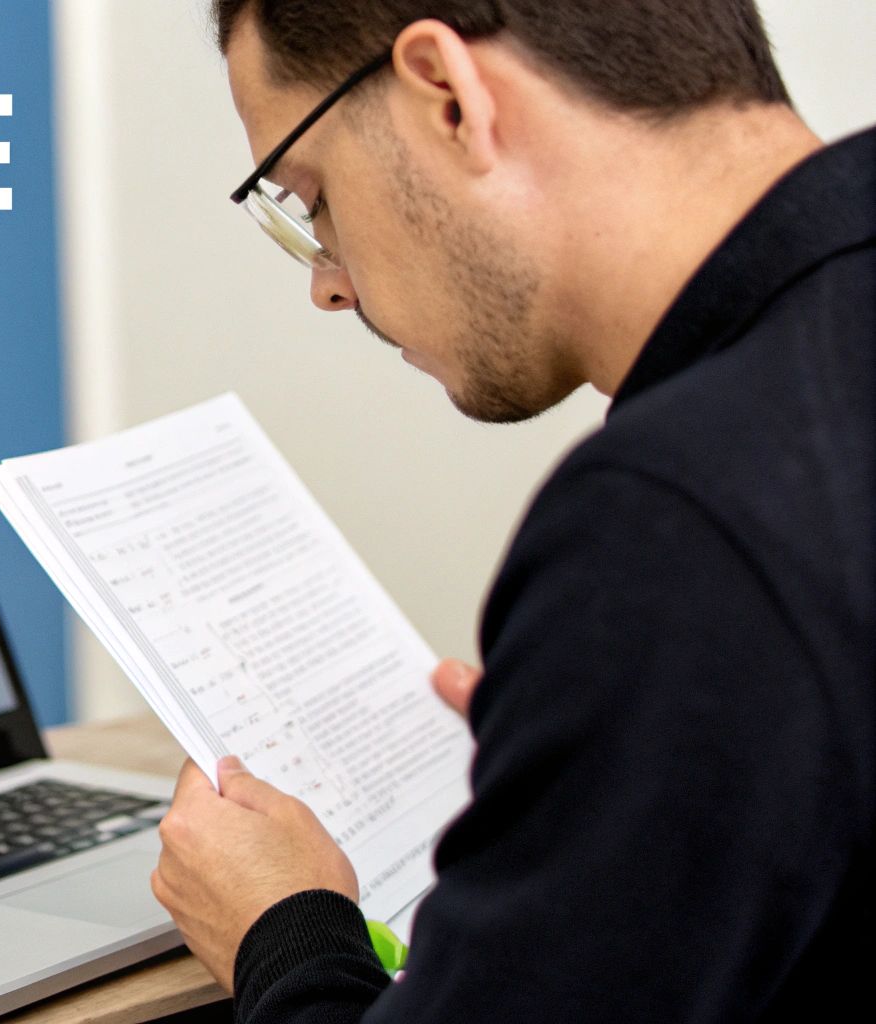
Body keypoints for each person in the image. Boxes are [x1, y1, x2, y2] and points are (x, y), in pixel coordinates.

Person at [147, 1, 874, 1020]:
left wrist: (287, 933)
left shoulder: (673, 519)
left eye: (308, 197)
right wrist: (597, 758)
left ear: (445, 93)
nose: (327, 285)